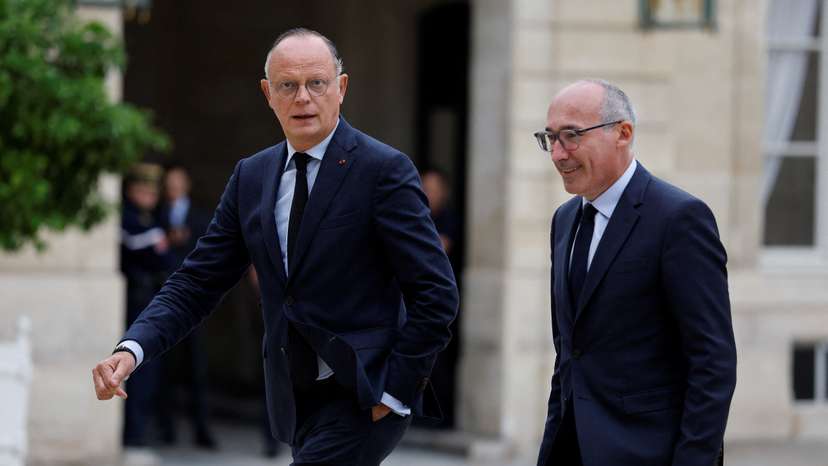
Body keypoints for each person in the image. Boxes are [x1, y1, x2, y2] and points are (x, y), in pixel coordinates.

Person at [92, 27, 459, 466]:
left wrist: (396, 391)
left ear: (341, 88)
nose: (303, 97)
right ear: (268, 93)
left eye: (316, 83)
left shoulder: (384, 170)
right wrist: (132, 349)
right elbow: (197, 281)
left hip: (365, 395)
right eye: (288, 85)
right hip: (295, 399)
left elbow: (436, 292)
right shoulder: (252, 177)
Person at [533, 79, 736, 466]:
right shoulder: (564, 221)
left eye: (572, 136)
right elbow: (570, 357)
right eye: (550, 138)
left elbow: (713, 363)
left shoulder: (679, 218)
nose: (557, 153)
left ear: (623, 133)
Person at [156, 165, 218, 449]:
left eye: (178, 181)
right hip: (166, 298)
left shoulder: (200, 216)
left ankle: (202, 429)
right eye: (170, 182)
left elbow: (212, 253)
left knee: (197, 368)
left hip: (194, 302)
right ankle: (166, 428)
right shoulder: (157, 214)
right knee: (165, 368)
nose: (174, 187)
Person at [119, 163, 173, 447]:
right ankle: (133, 432)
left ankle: (140, 429)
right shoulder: (129, 218)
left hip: (151, 295)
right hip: (136, 298)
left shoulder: (152, 218)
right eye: (143, 191)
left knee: (150, 370)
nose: (149, 197)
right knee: (134, 367)